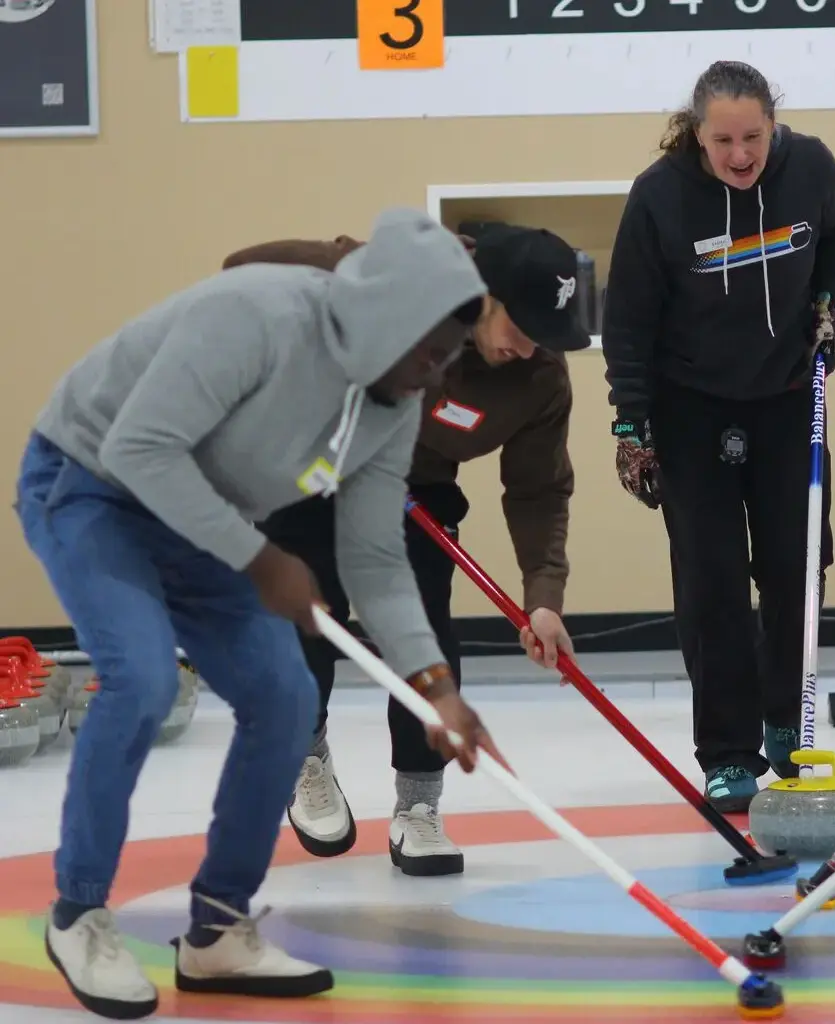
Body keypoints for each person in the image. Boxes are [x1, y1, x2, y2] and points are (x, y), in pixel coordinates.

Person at [15, 208, 503, 1019]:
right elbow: (141, 449)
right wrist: (260, 558)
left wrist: (434, 687)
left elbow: (375, 559)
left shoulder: (393, 404)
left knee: (284, 696)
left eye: (449, 354)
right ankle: (78, 915)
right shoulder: (256, 315)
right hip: (91, 484)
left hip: (204, 514)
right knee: (137, 679)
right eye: (428, 349)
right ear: (385, 315)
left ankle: (216, 930)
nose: (433, 373)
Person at [224, 222, 586, 875]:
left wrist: (543, 598)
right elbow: (245, 261)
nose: (529, 348)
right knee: (309, 613)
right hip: (317, 463)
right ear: (483, 296)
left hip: (415, 491)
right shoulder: (406, 291)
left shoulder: (538, 380)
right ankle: (305, 751)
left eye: (545, 335)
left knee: (425, 635)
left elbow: (538, 492)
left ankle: (418, 807)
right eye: (520, 326)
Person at [600, 60, 835, 813]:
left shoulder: (809, 166)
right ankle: (728, 752)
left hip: (784, 396)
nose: (741, 155)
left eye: (754, 137)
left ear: (774, 126)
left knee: (794, 565)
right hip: (692, 410)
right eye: (723, 141)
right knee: (712, 581)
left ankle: (785, 720)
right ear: (697, 132)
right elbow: (629, 325)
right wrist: (631, 423)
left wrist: (831, 299)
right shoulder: (659, 197)